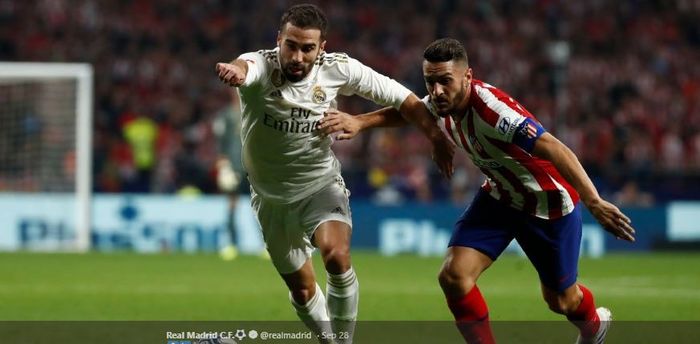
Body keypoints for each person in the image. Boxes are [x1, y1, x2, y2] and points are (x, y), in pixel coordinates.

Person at [319, 38, 636, 344]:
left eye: (445, 81)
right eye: (430, 81)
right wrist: (359, 122)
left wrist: (594, 201)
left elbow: (555, 148)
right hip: (500, 197)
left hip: (547, 205)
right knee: (454, 276)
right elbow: (412, 110)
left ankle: (595, 326)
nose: (437, 91)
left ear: (467, 76)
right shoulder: (443, 103)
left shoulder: (493, 112)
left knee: (562, 302)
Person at [214, 4, 453, 343]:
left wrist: (435, 135)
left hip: (320, 184)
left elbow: (405, 99)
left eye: (308, 48)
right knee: (302, 289)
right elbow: (245, 67)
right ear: (278, 40)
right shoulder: (260, 65)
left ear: (321, 48)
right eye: (291, 45)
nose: (298, 56)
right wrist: (234, 70)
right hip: (269, 197)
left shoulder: (339, 69)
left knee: (337, 257)